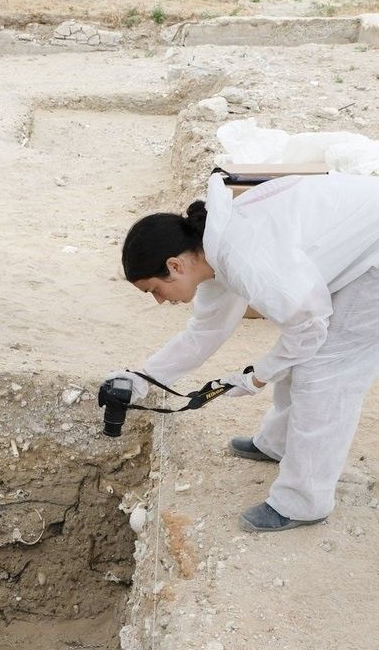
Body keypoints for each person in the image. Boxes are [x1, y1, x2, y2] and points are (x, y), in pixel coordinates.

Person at [116, 171, 379, 532]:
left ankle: (303, 501)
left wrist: (256, 376)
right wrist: (141, 379)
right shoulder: (213, 252)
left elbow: (309, 327)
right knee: (308, 355)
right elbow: (204, 333)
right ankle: (278, 443)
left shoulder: (246, 258)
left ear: (174, 266)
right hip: (358, 244)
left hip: (374, 257)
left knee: (326, 370)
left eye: (154, 290)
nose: (160, 301)